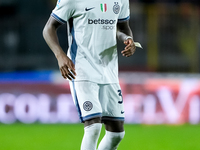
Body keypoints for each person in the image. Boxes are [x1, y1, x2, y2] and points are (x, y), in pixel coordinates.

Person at [43, 0, 136, 149]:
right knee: (93, 127)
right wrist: (60, 55)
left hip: (109, 71)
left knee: (116, 134)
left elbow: (122, 28)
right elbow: (48, 28)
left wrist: (127, 39)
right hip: (81, 69)